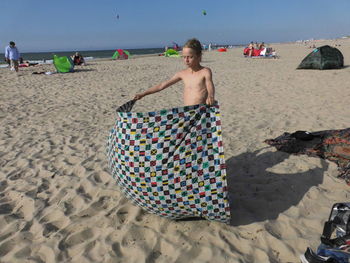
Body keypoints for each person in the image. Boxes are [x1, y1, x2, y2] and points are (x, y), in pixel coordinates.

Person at [134, 38, 215, 106]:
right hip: (187, 112)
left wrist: (211, 96)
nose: (186, 60)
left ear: (198, 56)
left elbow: (210, 85)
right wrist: (144, 94)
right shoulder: (182, 73)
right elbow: (162, 85)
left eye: (190, 57)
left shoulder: (205, 71)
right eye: (184, 57)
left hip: (202, 112)